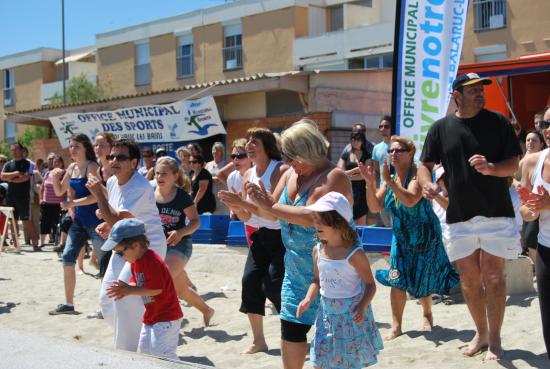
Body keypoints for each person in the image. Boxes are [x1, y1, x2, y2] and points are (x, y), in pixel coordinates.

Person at [418, 73, 522, 360]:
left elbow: (513, 163)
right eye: (472, 90)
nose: (479, 93)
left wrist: (491, 168)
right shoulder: (440, 128)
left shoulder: (498, 122)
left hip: (496, 213)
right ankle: (481, 333)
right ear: (457, 96)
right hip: (459, 215)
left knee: (494, 277)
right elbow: (424, 165)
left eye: (480, 89)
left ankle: (496, 339)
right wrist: (426, 181)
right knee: (470, 279)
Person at [246, 119, 352, 369]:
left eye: (293, 158)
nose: (289, 164)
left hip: (330, 273)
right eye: (287, 157)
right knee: (291, 329)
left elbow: (312, 217)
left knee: (331, 344)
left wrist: (270, 205)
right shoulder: (292, 173)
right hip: (295, 270)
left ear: (310, 151)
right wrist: (253, 203)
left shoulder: (334, 177)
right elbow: (274, 215)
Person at [359, 136, 459, 340]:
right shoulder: (391, 178)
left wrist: (387, 181)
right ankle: (397, 326)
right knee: (396, 279)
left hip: (424, 235)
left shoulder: (417, 175)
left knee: (421, 280)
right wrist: (370, 184)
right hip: (401, 237)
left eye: (399, 150)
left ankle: (427, 313)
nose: (393, 154)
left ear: (411, 153)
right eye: (391, 151)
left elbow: (411, 199)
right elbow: (375, 206)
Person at [87, 138, 167, 352]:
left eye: (120, 157)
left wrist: (98, 197)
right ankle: (138, 338)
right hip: (125, 243)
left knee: (124, 297)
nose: (113, 160)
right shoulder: (112, 181)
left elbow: (120, 220)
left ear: (134, 163)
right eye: (111, 156)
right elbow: (119, 219)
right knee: (107, 300)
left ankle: (127, 353)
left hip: (146, 248)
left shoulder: (140, 186)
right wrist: (106, 222)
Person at [297, 192, 383, 369]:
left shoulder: (354, 254)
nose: (316, 225)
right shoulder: (318, 250)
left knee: (349, 363)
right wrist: (307, 298)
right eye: (315, 220)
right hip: (326, 315)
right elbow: (316, 280)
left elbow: (370, 285)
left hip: (350, 316)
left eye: (322, 220)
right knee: (319, 361)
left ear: (338, 222)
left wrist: (362, 305)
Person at [219, 128, 285, 354]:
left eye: (254, 141)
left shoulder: (279, 170)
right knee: (249, 284)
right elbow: (250, 217)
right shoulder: (248, 175)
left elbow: (273, 214)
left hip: (282, 237)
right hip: (260, 235)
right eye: (247, 141)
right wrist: (235, 206)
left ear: (266, 145)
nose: (248, 145)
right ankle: (259, 341)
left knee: (274, 286)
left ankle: (295, 334)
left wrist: (243, 204)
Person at [102, 218, 183, 360]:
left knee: (163, 355)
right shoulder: (136, 261)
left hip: (166, 317)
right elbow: (138, 284)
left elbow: (156, 289)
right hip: (152, 316)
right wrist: (124, 288)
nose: (120, 257)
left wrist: (129, 290)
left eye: (120, 252)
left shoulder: (151, 261)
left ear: (136, 245)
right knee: (146, 351)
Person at [154, 156, 215, 326]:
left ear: (175, 175)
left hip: (181, 244)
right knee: (180, 290)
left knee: (161, 279)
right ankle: (207, 310)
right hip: (160, 246)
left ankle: (165, 321)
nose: (159, 177)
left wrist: (180, 232)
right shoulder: (150, 193)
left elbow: (196, 222)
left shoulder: (181, 196)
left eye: (164, 174)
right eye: (157, 173)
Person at [49, 134, 105, 315]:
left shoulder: (92, 166)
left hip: (97, 222)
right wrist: (53, 176)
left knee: (104, 264)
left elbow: (96, 195)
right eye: (71, 146)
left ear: (85, 148)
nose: (72, 149)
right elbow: (59, 191)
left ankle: (106, 306)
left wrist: (72, 203)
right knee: (67, 257)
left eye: (76, 146)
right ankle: (68, 304)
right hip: (79, 222)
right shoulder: (72, 167)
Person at [517, 105, 550, 359]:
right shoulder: (532, 162)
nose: (548, 130)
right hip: (545, 249)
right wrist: (532, 209)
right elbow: (527, 213)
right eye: (545, 125)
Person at [0, 142, 39, 250]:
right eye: (12, 150)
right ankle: (16, 244)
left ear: (22, 151)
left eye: (16, 149)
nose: (14, 152)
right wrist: (16, 173)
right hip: (11, 196)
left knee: (27, 221)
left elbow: (25, 178)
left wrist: (11, 179)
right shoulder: (8, 164)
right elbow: (2, 176)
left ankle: (35, 244)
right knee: (12, 220)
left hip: (23, 197)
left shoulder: (28, 163)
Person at [518, 130, 546, 263]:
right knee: (529, 239)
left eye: (534, 140)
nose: (530, 142)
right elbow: (526, 211)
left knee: (529, 238)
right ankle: (535, 266)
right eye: (528, 140)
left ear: (541, 144)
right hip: (545, 243)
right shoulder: (526, 161)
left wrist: (546, 202)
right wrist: (531, 205)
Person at [337, 129, 371, 226]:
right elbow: (339, 172)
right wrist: (354, 172)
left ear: (362, 141)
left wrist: (348, 176)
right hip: (347, 191)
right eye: (352, 139)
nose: (354, 141)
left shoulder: (367, 156)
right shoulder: (346, 155)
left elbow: (366, 175)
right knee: (346, 223)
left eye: (357, 139)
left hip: (362, 193)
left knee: (360, 224)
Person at [38, 155, 66, 248]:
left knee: (57, 224)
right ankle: (42, 242)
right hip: (46, 203)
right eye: (55, 162)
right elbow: (42, 187)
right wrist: (41, 199)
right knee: (44, 222)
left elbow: (66, 189)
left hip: (59, 204)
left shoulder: (65, 174)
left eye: (58, 162)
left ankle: (57, 242)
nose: (56, 163)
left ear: (62, 163)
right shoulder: (47, 173)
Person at [223, 138, 253, 221]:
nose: (235, 159)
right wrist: (232, 209)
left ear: (250, 157)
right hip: (241, 217)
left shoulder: (258, 174)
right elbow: (233, 206)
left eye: (240, 156)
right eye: (233, 156)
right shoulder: (231, 177)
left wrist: (241, 202)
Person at [371, 116, 393, 226]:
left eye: (386, 126)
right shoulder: (376, 148)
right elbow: (375, 171)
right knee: (387, 223)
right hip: (382, 189)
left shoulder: (397, 145)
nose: (383, 129)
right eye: (381, 126)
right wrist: (376, 189)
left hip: (396, 188)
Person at [206, 142, 228, 215]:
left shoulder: (226, 164)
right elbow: (205, 178)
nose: (215, 152)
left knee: (223, 213)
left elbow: (226, 178)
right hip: (211, 194)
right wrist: (214, 179)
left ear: (222, 152)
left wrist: (211, 179)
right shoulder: (208, 164)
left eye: (217, 150)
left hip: (222, 193)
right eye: (213, 150)